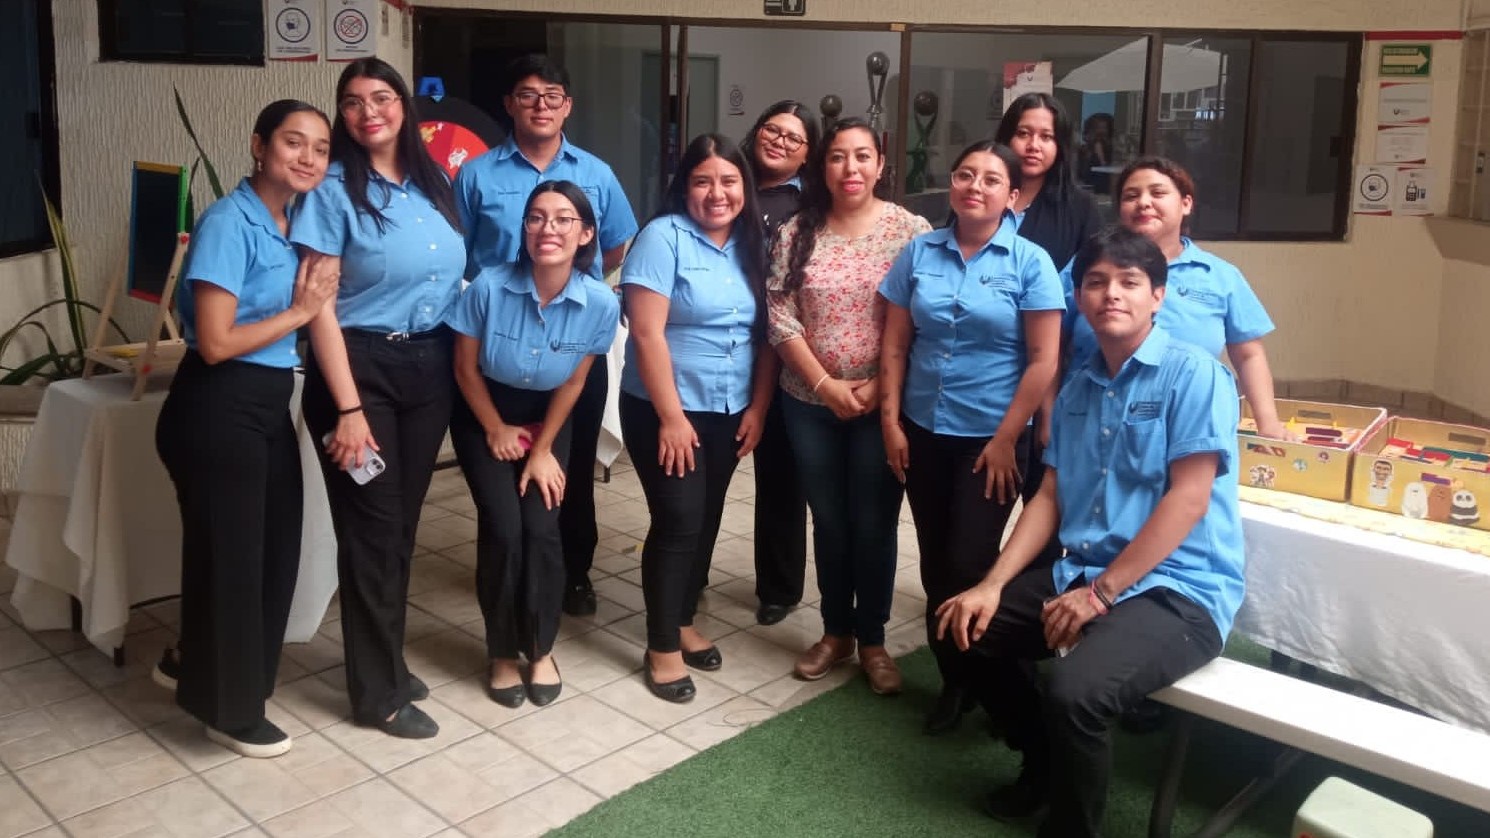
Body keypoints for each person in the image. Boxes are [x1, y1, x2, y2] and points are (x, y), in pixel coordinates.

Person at [935, 226, 1243, 837]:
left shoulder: (1195, 376)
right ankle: (1045, 766)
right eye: (1096, 283)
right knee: (961, 626)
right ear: (1077, 297)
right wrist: (994, 583)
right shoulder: (1078, 388)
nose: (1112, 295)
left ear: (1158, 295)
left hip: (1177, 590)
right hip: (1085, 568)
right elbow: (1051, 494)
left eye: (1130, 282)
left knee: (1075, 693)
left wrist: (1100, 595)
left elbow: (1188, 499)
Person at [155, 99, 336, 758]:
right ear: (259, 146)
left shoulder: (289, 224)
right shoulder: (229, 223)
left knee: (272, 551)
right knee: (233, 563)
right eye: (294, 142)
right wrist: (300, 312)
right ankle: (227, 711)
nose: (309, 157)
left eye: (320, 147)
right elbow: (215, 341)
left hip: (264, 405)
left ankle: (193, 665)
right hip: (216, 404)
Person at [292, 58, 464, 741]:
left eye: (382, 97)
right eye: (354, 101)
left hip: (429, 367)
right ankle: (378, 695)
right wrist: (349, 409)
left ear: (404, 106)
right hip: (357, 372)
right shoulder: (331, 190)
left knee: (398, 532)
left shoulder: (433, 181)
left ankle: (382, 660)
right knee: (370, 533)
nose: (369, 111)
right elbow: (317, 310)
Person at [878, 140, 1063, 734]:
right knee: (935, 565)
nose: (974, 187)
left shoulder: (1031, 263)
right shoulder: (918, 252)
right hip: (923, 430)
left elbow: (1043, 362)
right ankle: (957, 682)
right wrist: (889, 420)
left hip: (991, 441)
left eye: (990, 180)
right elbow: (896, 343)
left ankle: (989, 677)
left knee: (969, 563)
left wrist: (1011, 438)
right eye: (964, 175)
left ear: (1012, 196)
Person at [454, 54, 640, 619]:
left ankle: (573, 572)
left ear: (568, 106)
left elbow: (613, 244)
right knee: (500, 459)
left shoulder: (597, 173)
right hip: (499, 338)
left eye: (552, 95)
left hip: (572, 340)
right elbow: (459, 251)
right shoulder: (477, 174)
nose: (541, 105)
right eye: (528, 94)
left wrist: (573, 284)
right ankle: (507, 568)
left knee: (573, 463)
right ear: (509, 104)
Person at [767, 118, 931, 693]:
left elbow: (923, 321)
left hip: (881, 405)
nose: (851, 169)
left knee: (874, 521)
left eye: (863, 156)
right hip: (808, 402)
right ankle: (835, 632)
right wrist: (824, 385)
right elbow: (780, 313)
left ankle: (874, 641)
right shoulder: (797, 229)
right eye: (838, 157)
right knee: (829, 519)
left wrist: (875, 389)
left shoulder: (912, 233)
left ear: (881, 164)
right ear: (824, 166)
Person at [447, 181, 620, 709]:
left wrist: (543, 449)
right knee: (503, 527)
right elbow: (463, 368)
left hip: (549, 416)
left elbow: (573, 383)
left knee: (543, 527)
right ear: (523, 229)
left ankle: (540, 647)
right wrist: (496, 428)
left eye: (564, 219)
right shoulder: (488, 288)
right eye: (537, 218)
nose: (549, 229)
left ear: (586, 233)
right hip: (484, 412)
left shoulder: (598, 302)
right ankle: (502, 651)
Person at [620, 134, 773, 704]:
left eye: (729, 181)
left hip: (729, 408)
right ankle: (661, 645)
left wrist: (758, 407)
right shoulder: (662, 238)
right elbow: (646, 333)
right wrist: (671, 416)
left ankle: (682, 620)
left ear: (745, 187)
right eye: (703, 181)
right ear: (684, 187)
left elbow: (766, 336)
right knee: (679, 519)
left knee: (705, 518)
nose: (717, 193)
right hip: (664, 409)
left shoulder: (754, 243)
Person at [1062, 156, 1286, 439]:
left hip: (1191, 426)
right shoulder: (1084, 268)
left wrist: (1268, 423)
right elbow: (1049, 346)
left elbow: (1249, 354)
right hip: (1091, 425)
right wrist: (1047, 415)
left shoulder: (1220, 276)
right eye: (1132, 196)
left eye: (1157, 193)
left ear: (1186, 204)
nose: (1144, 202)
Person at [995, 92, 1103, 571]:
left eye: (1046, 136)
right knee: (983, 502)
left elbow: (1081, 303)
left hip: (1054, 380)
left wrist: (1050, 400)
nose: (1033, 145)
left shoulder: (1079, 209)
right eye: (1023, 133)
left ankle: (1029, 606)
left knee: (1043, 500)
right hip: (987, 377)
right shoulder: (985, 192)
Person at [742, 100, 819, 626]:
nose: (780, 142)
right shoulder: (726, 179)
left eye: (794, 138)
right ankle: (689, 572)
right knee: (703, 471)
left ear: (809, 153)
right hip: (719, 346)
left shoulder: (810, 205)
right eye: (773, 130)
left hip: (784, 348)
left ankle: (779, 585)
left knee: (781, 474)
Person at [1077, 112, 1116, 195]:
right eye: (1097, 135)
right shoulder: (1077, 154)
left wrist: (1101, 158)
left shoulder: (1113, 155)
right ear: (1085, 135)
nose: (1099, 141)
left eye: (1103, 136)